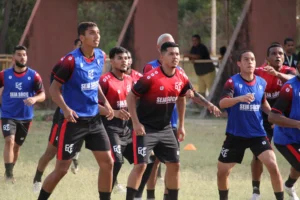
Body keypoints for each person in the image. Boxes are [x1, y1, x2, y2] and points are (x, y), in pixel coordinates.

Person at [37, 22, 114, 200]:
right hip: (73, 121)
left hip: (94, 120)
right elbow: (53, 90)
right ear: (82, 38)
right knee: (62, 169)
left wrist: (106, 102)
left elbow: (95, 82)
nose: (97, 36)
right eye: (92, 33)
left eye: (98, 32)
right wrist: (66, 109)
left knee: (107, 163)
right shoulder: (70, 61)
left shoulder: (101, 56)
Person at [141, 34, 221, 200]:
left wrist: (208, 105)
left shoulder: (180, 71)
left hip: (172, 124)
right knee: (153, 163)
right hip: (152, 125)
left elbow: (190, 93)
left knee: (172, 165)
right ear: (160, 50)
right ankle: (149, 196)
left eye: (174, 50)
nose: (173, 53)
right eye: (167, 47)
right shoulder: (150, 68)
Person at [217, 50, 283, 200]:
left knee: (273, 165)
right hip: (235, 134)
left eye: (252, 59)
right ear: (239, 63)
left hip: (257, 134)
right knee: (222, 172)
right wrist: (239, 99)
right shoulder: (232, 82)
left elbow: (264, 103)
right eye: (246, 59)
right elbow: (222, 103)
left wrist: (275, 116)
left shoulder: (261, 82)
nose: (250, 62)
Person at [99, 47, 154, 197]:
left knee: (148, 161)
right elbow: (92, 105)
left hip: (128, 130)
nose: (124, 61)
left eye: (126, 58)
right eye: (120, 58)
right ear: (112, 61)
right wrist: (114, 112)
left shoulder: (131, 80)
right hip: (110, 129)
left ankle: (137, 195)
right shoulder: (104, 81)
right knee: (116, 162)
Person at [32, 38, 82, 193]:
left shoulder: (94, 62)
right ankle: (37, 179)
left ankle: (76, 157)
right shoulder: (65, 62)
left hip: (85, 114)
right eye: (80, 45)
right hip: (64, 113)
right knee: (50, 152)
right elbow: (55, 87)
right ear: (74, 46)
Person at [250, 43, 296, 199]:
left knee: (296, 158)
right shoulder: (258, 73)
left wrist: (278, 75)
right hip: (263, 119)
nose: (278, 56)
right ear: (267, 58)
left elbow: (293, 78)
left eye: (281, 54)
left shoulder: (289, 71)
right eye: (274, 53)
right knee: (258, 156)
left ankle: (289, 185)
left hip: (286, 119)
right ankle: (256, 191)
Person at [1, 45, 46, 183]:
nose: (22, 57)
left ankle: (11, 170)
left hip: (25, 117)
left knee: (17, 146)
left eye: (24, 55)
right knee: (10, 140)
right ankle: (9, 175)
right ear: (14, 57)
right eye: (19, 54)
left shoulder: (34, 75)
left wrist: (34, 99)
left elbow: (43, 94)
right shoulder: (4, 75)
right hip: (8, 115)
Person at [269, 73, 300, 200]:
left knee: (297, 164)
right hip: (287, 138)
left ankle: (289, 185)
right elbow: (273, 116)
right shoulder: (290, 88)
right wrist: (298, 124)